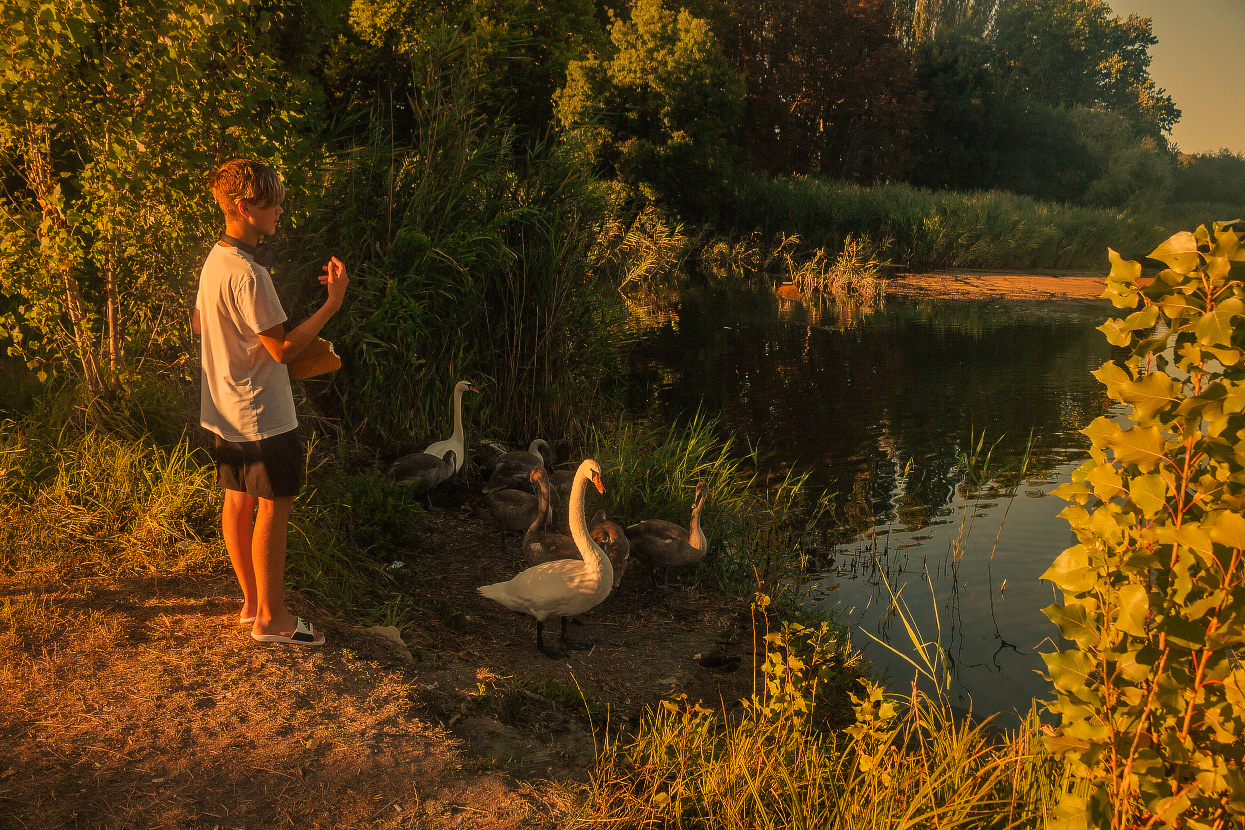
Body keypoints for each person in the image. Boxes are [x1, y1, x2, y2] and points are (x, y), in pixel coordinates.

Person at [191, 159, 348, 646]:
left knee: (237, 500)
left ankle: (251, 604)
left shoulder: (216, 259)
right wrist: (332, 304)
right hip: (262, 414)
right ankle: (272, 619)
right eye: (271, 202)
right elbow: (281, 349)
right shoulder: (249, 274)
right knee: (274, 507)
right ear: (244, 207)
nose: (280, 209)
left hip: (222, 408)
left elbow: (200, 324)